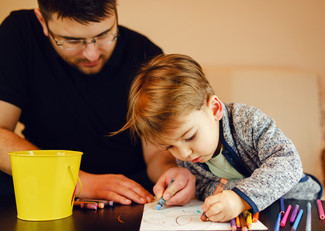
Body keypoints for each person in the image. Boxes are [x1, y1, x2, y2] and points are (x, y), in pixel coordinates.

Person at [0, 0, 195, 204]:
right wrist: (79, 183)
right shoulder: (19, 33)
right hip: (47, 189)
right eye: (72, 40)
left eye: (104, 34)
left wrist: (171, 172)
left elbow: (157, 154)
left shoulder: (144, 53)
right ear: (42, 21)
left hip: (132, 194)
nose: (92, 54)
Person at [117, 53, 323, 222]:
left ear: (214, 108)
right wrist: (205, 194)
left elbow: (288, 162)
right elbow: (205, 187)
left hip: (301, 207)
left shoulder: (248, 121)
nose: (183, 154)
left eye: (189, 137)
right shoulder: (190, 156)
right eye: (170, 146)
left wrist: (238, 199)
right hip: (257, 221)